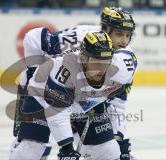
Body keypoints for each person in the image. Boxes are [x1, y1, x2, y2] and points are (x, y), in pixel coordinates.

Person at [10, 6, 137, 160]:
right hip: (48, 86)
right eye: (119, 34)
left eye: (128, 35)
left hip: (78, 95)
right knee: (34, 148)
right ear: (105, 28)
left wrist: (120, 139)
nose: (124, 41)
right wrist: (34, 75)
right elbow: (33, 38)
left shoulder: (125, 60)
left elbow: (118, 102)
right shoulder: (79, 36)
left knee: (106, 151)